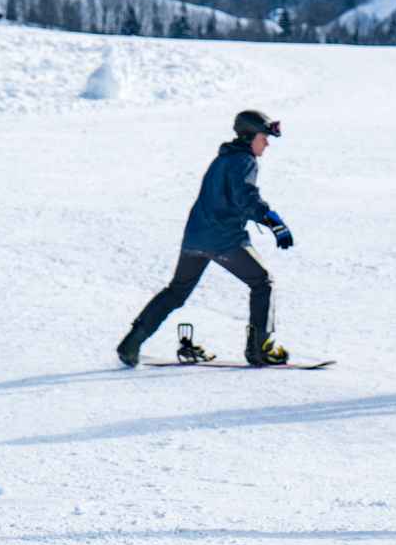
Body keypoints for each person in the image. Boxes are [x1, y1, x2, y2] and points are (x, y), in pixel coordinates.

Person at [116, 110, 295, 368]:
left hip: (195, 238)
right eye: (263, 137)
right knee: (262, 282)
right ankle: (260, 349)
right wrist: (273, 221)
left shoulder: (222, 159)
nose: (267, 143)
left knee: (176, 291)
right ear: (249, 136)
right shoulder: (244, 161)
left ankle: (131, 343)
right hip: (224, 240)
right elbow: (245, 197)